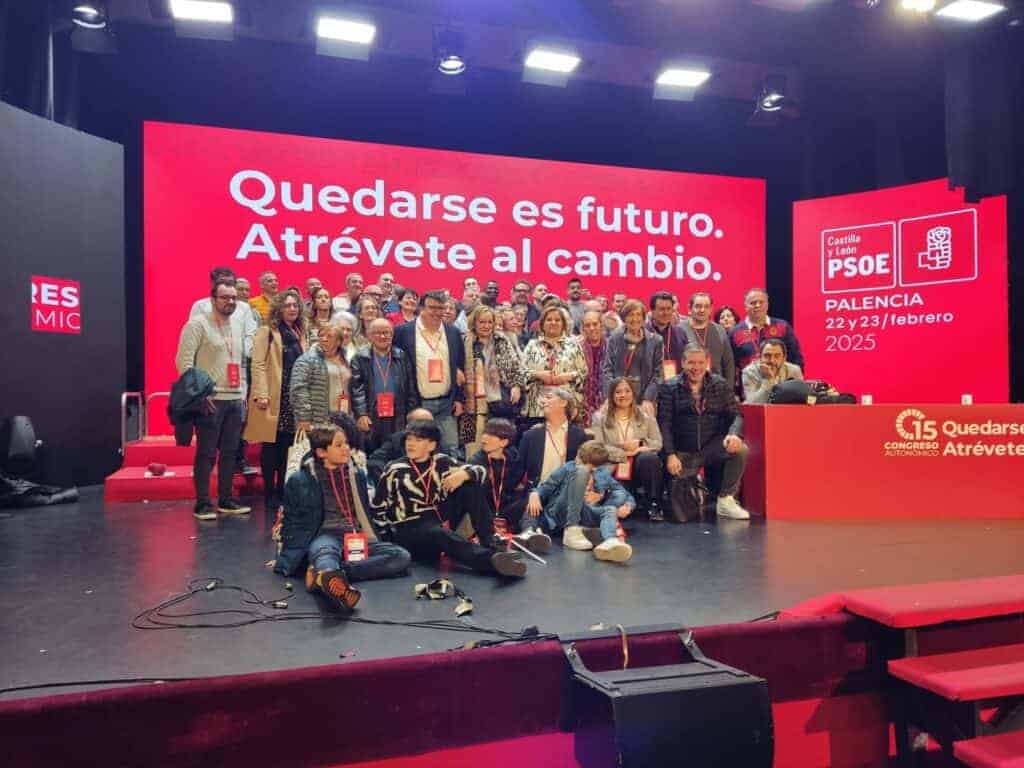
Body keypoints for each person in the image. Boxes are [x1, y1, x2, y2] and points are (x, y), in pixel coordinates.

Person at [275, 421, 411, 612]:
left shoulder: (357, 474)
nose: (346, 448)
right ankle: (331, 576)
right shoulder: (300, 480)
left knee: (401, 556)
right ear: (321, 452)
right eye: (339, 445)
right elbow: (291, 520)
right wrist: (287, 553)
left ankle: (329, 575)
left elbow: (365, 512)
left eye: (346, 443)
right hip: (325, 535)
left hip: (355, 535)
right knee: (325, 554)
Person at [371, 420, 527, 579]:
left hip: (437, 519)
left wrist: (464, 474)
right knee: (438, 533)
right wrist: (389, 543)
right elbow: (378, 509)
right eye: (409, 439)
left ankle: (491, 543)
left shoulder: (441, 461)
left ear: (431, 445)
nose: (410, 444)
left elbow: (481, 472)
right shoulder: (395, 469)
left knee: (469, 487)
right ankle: (491, 561)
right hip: (411, 530)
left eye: (418, 440)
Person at [175, 279, 251, 519]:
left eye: (233, 298)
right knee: (206, 453)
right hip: (210, 399)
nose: (230, 302)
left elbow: (240, 362)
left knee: (230, 452)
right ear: (212, 299)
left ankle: (226, 499)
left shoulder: (237, 325)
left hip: (235, 398)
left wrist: (243, 392)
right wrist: (198, 395)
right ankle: (203, 503)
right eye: (225, 297)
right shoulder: (197, 325)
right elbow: (184, 363)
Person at [657, 344, 750, 520]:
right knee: (679, 508)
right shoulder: (669, 387)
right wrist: (670, 454)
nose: (696, 367)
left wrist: (734, 434)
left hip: (711, 447)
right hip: (682, 451)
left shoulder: (720, 384)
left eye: (701, 362)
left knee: (741, 449)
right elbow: (664, 424)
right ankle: (695, 484)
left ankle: (726, 500)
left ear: (707, 362)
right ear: (683, 363)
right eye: (691, 362)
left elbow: (736, 415)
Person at [245, 288, 309, 510]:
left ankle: (282, 490)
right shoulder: (267, 331)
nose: (292, 309)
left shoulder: (300, 332)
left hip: (294, 398)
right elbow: (258, 364)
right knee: (271, 447)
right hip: (273, 396)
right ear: (279, 308)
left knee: (288, 446)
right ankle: (269, 492)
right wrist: (261, 393)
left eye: (295, 305)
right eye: (287, 305)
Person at [525, 440, 634, 561]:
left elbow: (625, 493)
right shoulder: (568, 467)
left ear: (595, 467)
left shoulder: (602, 473)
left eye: (582, 461)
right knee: (581, 471)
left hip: (584, 511)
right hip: (561, 510)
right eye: (578, 457)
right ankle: (572, 529)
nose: (577, 461)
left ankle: (609, 542)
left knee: (611, 509)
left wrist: (627, 506)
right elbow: (547, 487)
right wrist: (535, 493)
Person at [392, 290, 465, 454]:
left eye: (441, 308)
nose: (437, 312)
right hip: (418, 404)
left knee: (451, 450)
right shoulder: (403, 332)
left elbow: (460, 366)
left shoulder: (453, 333)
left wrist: (459, 398)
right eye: (432, 307)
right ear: (421, 308)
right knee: (419, 450)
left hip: (447, 405)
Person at [467, 418, 550, 553]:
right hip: (484, 510)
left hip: (506, 507)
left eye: (491, 435)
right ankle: (488, 537)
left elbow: (525, 478)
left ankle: (528, 532)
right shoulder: (476, 461)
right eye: (485, 433)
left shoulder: (513, 457)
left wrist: (533, 493)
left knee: (531, 498)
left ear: (504, 442)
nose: (484, 438)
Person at [589, 377, 665, 521]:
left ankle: (654, 503)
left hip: (638, 465)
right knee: (622, 505)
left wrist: (640, 445)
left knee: (649, 458)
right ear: (611, 395)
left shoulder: (645, 416)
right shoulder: (600, 418)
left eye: (627, 391)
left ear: (633, 393)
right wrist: (624, 452)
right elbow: (598, 446)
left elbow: (658, 443)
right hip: (613, 466)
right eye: (618, 392)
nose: (623, 395)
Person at [460, 305, 526, 447]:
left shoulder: (501, 339)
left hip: (499, 399)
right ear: (474, 322)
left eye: (490, 322)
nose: (486, 326)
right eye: (482, 322)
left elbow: (515, 366)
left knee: (499, 442)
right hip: (472, 400)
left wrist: (516, 385)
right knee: (473, 444)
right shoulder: (465, 340)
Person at [351, 318, 418, 453]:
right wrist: (361, 414)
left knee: (397, 450)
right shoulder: (360, 358)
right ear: (369, 335)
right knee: (373, 453)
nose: (382, 336)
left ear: (392, 335)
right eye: (377, 333)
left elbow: (411, 387)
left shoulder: (402, 356)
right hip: (372, 414)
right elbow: (356, 389)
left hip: (398, 414)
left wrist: (411, 414)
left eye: (386, 332)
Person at [521, 306, 588, 427]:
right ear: (542, 324)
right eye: (549, 319)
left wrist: (568, 376)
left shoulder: (573, 345)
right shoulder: (532, 345)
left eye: (557, 320)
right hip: (538, 407)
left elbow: (583, 372)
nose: (553, 323)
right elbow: (521, 372)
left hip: (565, 405)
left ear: (563, 324)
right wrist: (538, 374)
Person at [602, 299, 664, 417]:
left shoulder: (656, 340)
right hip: (619, 397)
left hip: (644, 400)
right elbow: (607, 370)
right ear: (624, 318)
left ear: (643, 318)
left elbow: (658, 373)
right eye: (630, 315)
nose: (635, 319)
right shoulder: (614, 338)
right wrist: (610, 396)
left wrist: (648, 398)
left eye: (638, 314)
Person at [518, 389, 589, 489]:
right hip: (536, 492)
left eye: (549, 397)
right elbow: (517, 471)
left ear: (563, 402)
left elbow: (587, 467)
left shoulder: (579, 435)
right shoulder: (530, 435)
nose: (543, 401)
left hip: (567, 491)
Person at [290, 323, 354, 432]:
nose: (324, 339)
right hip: (318, 421)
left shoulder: (346, 359)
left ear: (339, 342)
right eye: (321, 335)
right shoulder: (306, 360)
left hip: (343, 419)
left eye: (329, 336)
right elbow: (298, 390)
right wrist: (304, 418)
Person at [730, 288, 804, 374]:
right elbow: (731, 365)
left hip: (781, 380)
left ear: (767, 305)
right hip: (749, 380)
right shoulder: (735, 333)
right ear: (746, 306)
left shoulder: (782, 327)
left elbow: (796, 358)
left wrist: (793, 380)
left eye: (761, 302)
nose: (757, 305)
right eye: (753, 303)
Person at [680, 292, 735, 387]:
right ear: (690, 308)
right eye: (698, 306)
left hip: (716, 387)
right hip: (687, 387)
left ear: (711, 309)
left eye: (706, 306)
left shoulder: (719, 330)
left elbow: (728, 364)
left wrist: (729, 388)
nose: (702, 310)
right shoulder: (679, 330)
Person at [366, 407, 434, 484]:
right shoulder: (397, 439)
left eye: (431, 424)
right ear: (408, 427)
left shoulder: (436, 440)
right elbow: (375, 461)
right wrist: (391, 478)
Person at [742, 339, 804, 404]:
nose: (772, 360)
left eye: (777, 356)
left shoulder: (794, 370)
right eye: (767, 355)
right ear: (759, 357)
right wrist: (768, 380)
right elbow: (752, 404)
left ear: (784, 358)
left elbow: (802, 398)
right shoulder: (749, 372)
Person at [646, 291, 688, 379]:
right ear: (652, 311)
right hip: (650, 383)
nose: (665, 313)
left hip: (675, 383)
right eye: (661, 309)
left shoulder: (681, 332)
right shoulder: (643, 333)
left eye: (669, 309)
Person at [578, 310, 608, 426]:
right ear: (583, 329)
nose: (592, 328)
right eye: (587, 325)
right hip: (582, 404)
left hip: (607, 402)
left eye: (595, 324)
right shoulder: (576, 348)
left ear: (601, 325)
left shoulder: (612, 347)